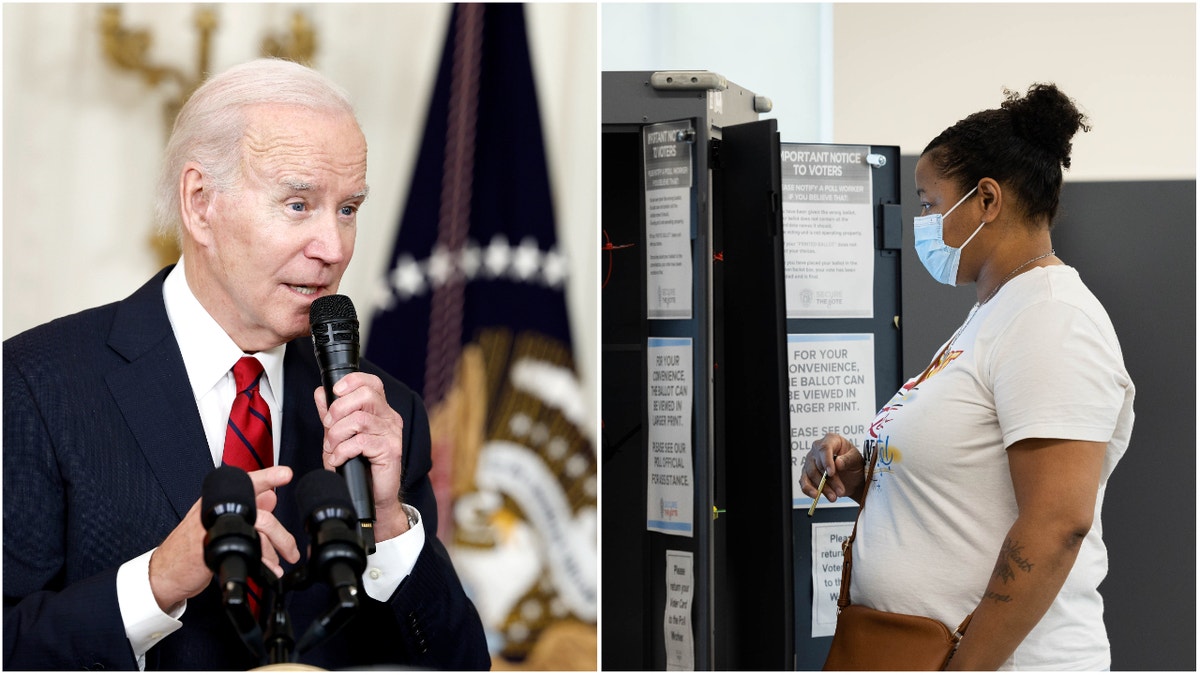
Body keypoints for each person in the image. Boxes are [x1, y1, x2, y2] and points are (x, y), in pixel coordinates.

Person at [3, 58, 490, 670]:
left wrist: (391, 523)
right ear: (200, 201)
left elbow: (459, 664)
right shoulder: (35, 384)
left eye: (348, 210)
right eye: (297, 205)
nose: (333, 249)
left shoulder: (384, 414)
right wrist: (154, 584)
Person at [801, 84, 1135, 670]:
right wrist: (872, 476)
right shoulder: (995, 313)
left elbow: (1058, 523)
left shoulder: (1051, 318)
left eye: (930, 204)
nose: (922, 222)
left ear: (986, 200)